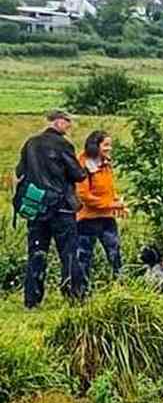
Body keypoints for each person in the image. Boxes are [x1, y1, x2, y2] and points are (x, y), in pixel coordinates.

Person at [14, 110, 87, 307]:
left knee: (37, 252)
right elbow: (77, 174)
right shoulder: (63, 145)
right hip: (61, 206)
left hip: (37, 206)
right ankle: (75, 296)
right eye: (67, 121)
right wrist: (86, 169)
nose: (69, 125)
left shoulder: (30, 143)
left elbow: (19, 171)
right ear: (58, 122)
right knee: (69, 252)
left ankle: (32, 300)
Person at [74, 130, 125, 280]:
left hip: (107, 216)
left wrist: (116, 201)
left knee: (115, 253)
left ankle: (121, 286)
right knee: (84, 256)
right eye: (106, 145)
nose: (109, 148)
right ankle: (82, 292)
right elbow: (83, 195)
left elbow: (109, 188)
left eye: (110, 145)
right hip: (87, 218)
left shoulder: (106, 163)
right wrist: (111, 205)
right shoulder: (83, 165)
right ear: (95, 146)